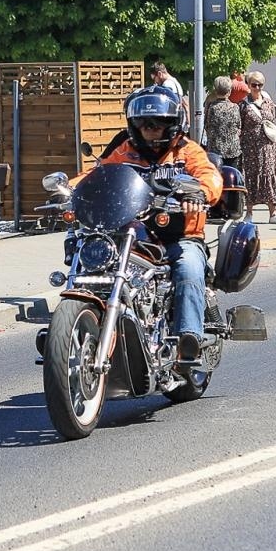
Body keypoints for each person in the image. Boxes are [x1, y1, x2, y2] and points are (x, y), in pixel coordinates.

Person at [88, 86, 222, 361]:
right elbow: (98, 175)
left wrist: (200, 192)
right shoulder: (125, 151)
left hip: (181, 234)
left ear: (172, 125)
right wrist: (69, 191)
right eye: (143, 123)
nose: (150, 129)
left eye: (157, 123)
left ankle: (189, 339)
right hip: (136, 233)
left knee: (188, 268)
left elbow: (210, 175)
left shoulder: (188, 151)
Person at [238, 71, 276, 224]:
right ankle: (249, 213)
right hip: (251, 148)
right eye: (254, 85)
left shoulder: (267, 100)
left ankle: (273, 214)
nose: (257, 88)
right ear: (248, 85)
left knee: (270, 175)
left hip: (269, 146)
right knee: (251, 177)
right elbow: (240, 124)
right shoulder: (243, 104)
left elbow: (273, 115)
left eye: (260, 85)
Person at [202, 76, 242, 169]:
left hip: (215, 150)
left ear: (216, 91)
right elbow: (238, 125)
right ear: (229, 91)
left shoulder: (212, 107)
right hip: (232, 150)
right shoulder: (235, 107)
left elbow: (206, 125)